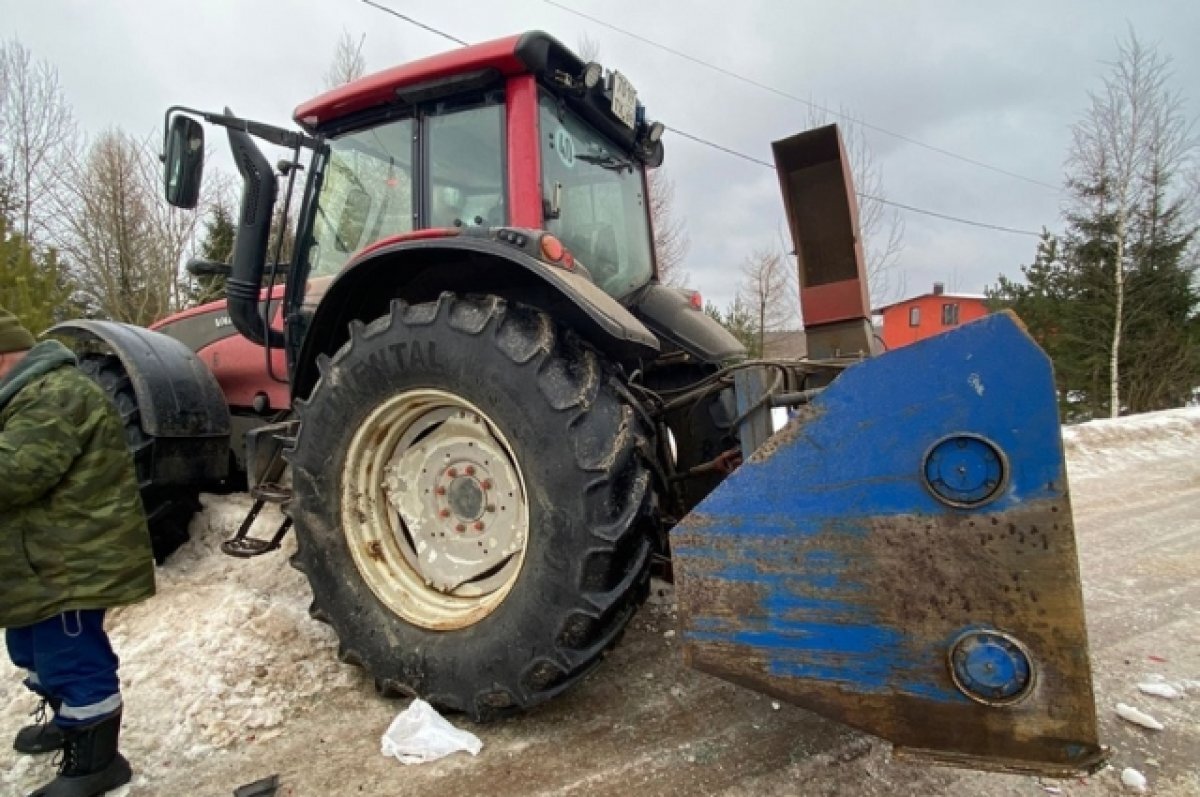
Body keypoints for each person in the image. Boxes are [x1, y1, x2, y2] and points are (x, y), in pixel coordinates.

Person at [0, 305, 155, 797]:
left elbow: (15, 474)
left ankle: (96, 763)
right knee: (29, 648)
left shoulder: (54, 393)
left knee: (70, 657)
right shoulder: (23, 392)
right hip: (37, 559)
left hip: (68, 562)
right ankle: (68, 717)